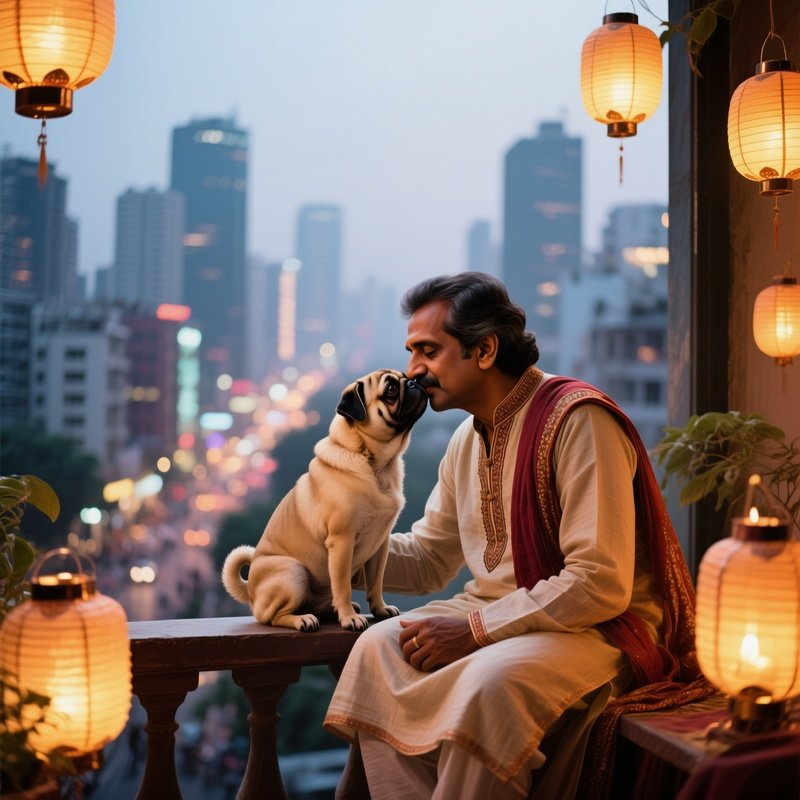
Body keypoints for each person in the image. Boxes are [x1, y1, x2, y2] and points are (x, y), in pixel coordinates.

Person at [324, 272, 711, 800]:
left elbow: (598, 582)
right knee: (377, 649)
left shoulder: (578, 420)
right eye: (411, 351)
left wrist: (476, 631)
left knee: (488, 686)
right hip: (497, 618)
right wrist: (332, 550)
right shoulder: (466, 439)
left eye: (428, 351)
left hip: (596, 631)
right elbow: (431, 559)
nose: (413, 369)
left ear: (484, 349)